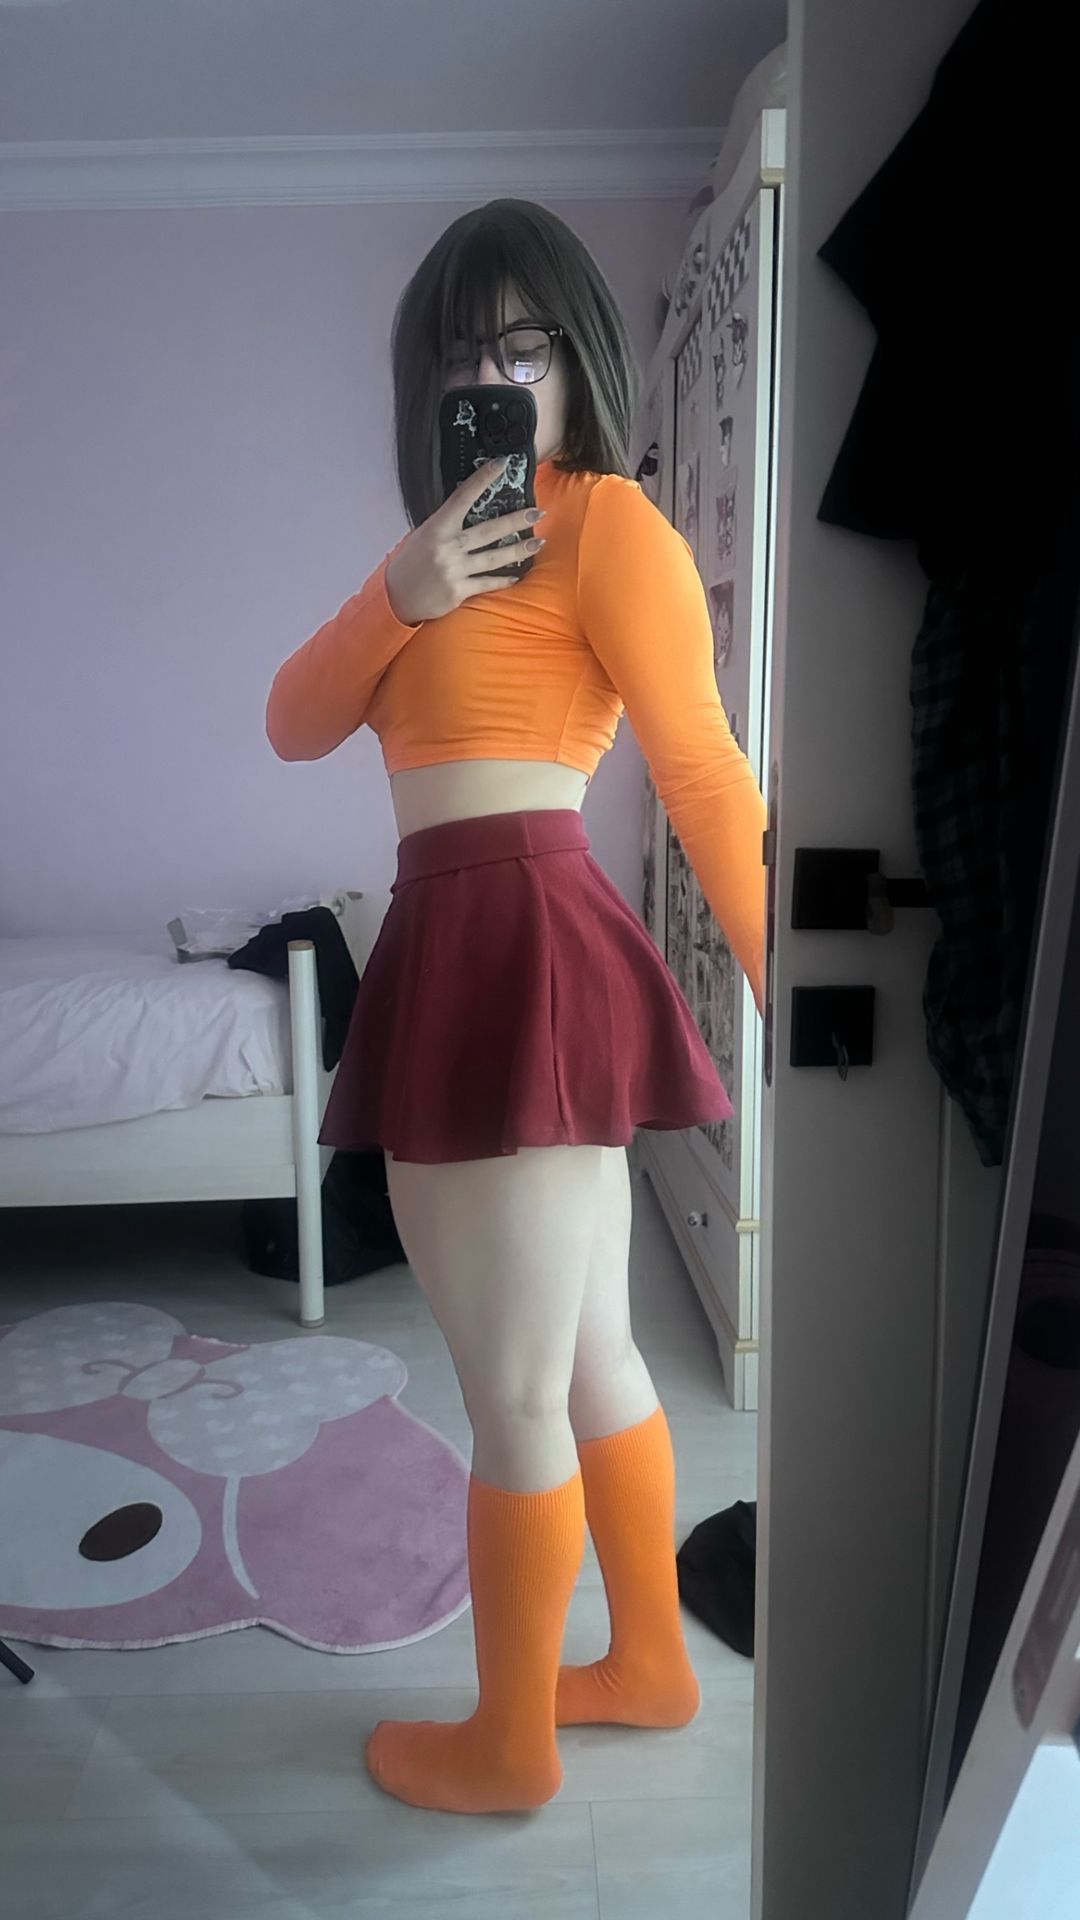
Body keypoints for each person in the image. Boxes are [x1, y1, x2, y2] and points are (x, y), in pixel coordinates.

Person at [265, 199, 767, 1816]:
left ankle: (507, 1744)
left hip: (520, 936)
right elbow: (293, 722)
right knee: (592, 1351)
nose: (492, 379)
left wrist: (801, 1004)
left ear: (577, 362)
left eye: (524, 347)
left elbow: (702, 771)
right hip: (462, 937)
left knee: (515, 1391)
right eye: (460, 357)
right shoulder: (427, 564)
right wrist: (402, 587)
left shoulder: (607, 523)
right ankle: (647, 1664)